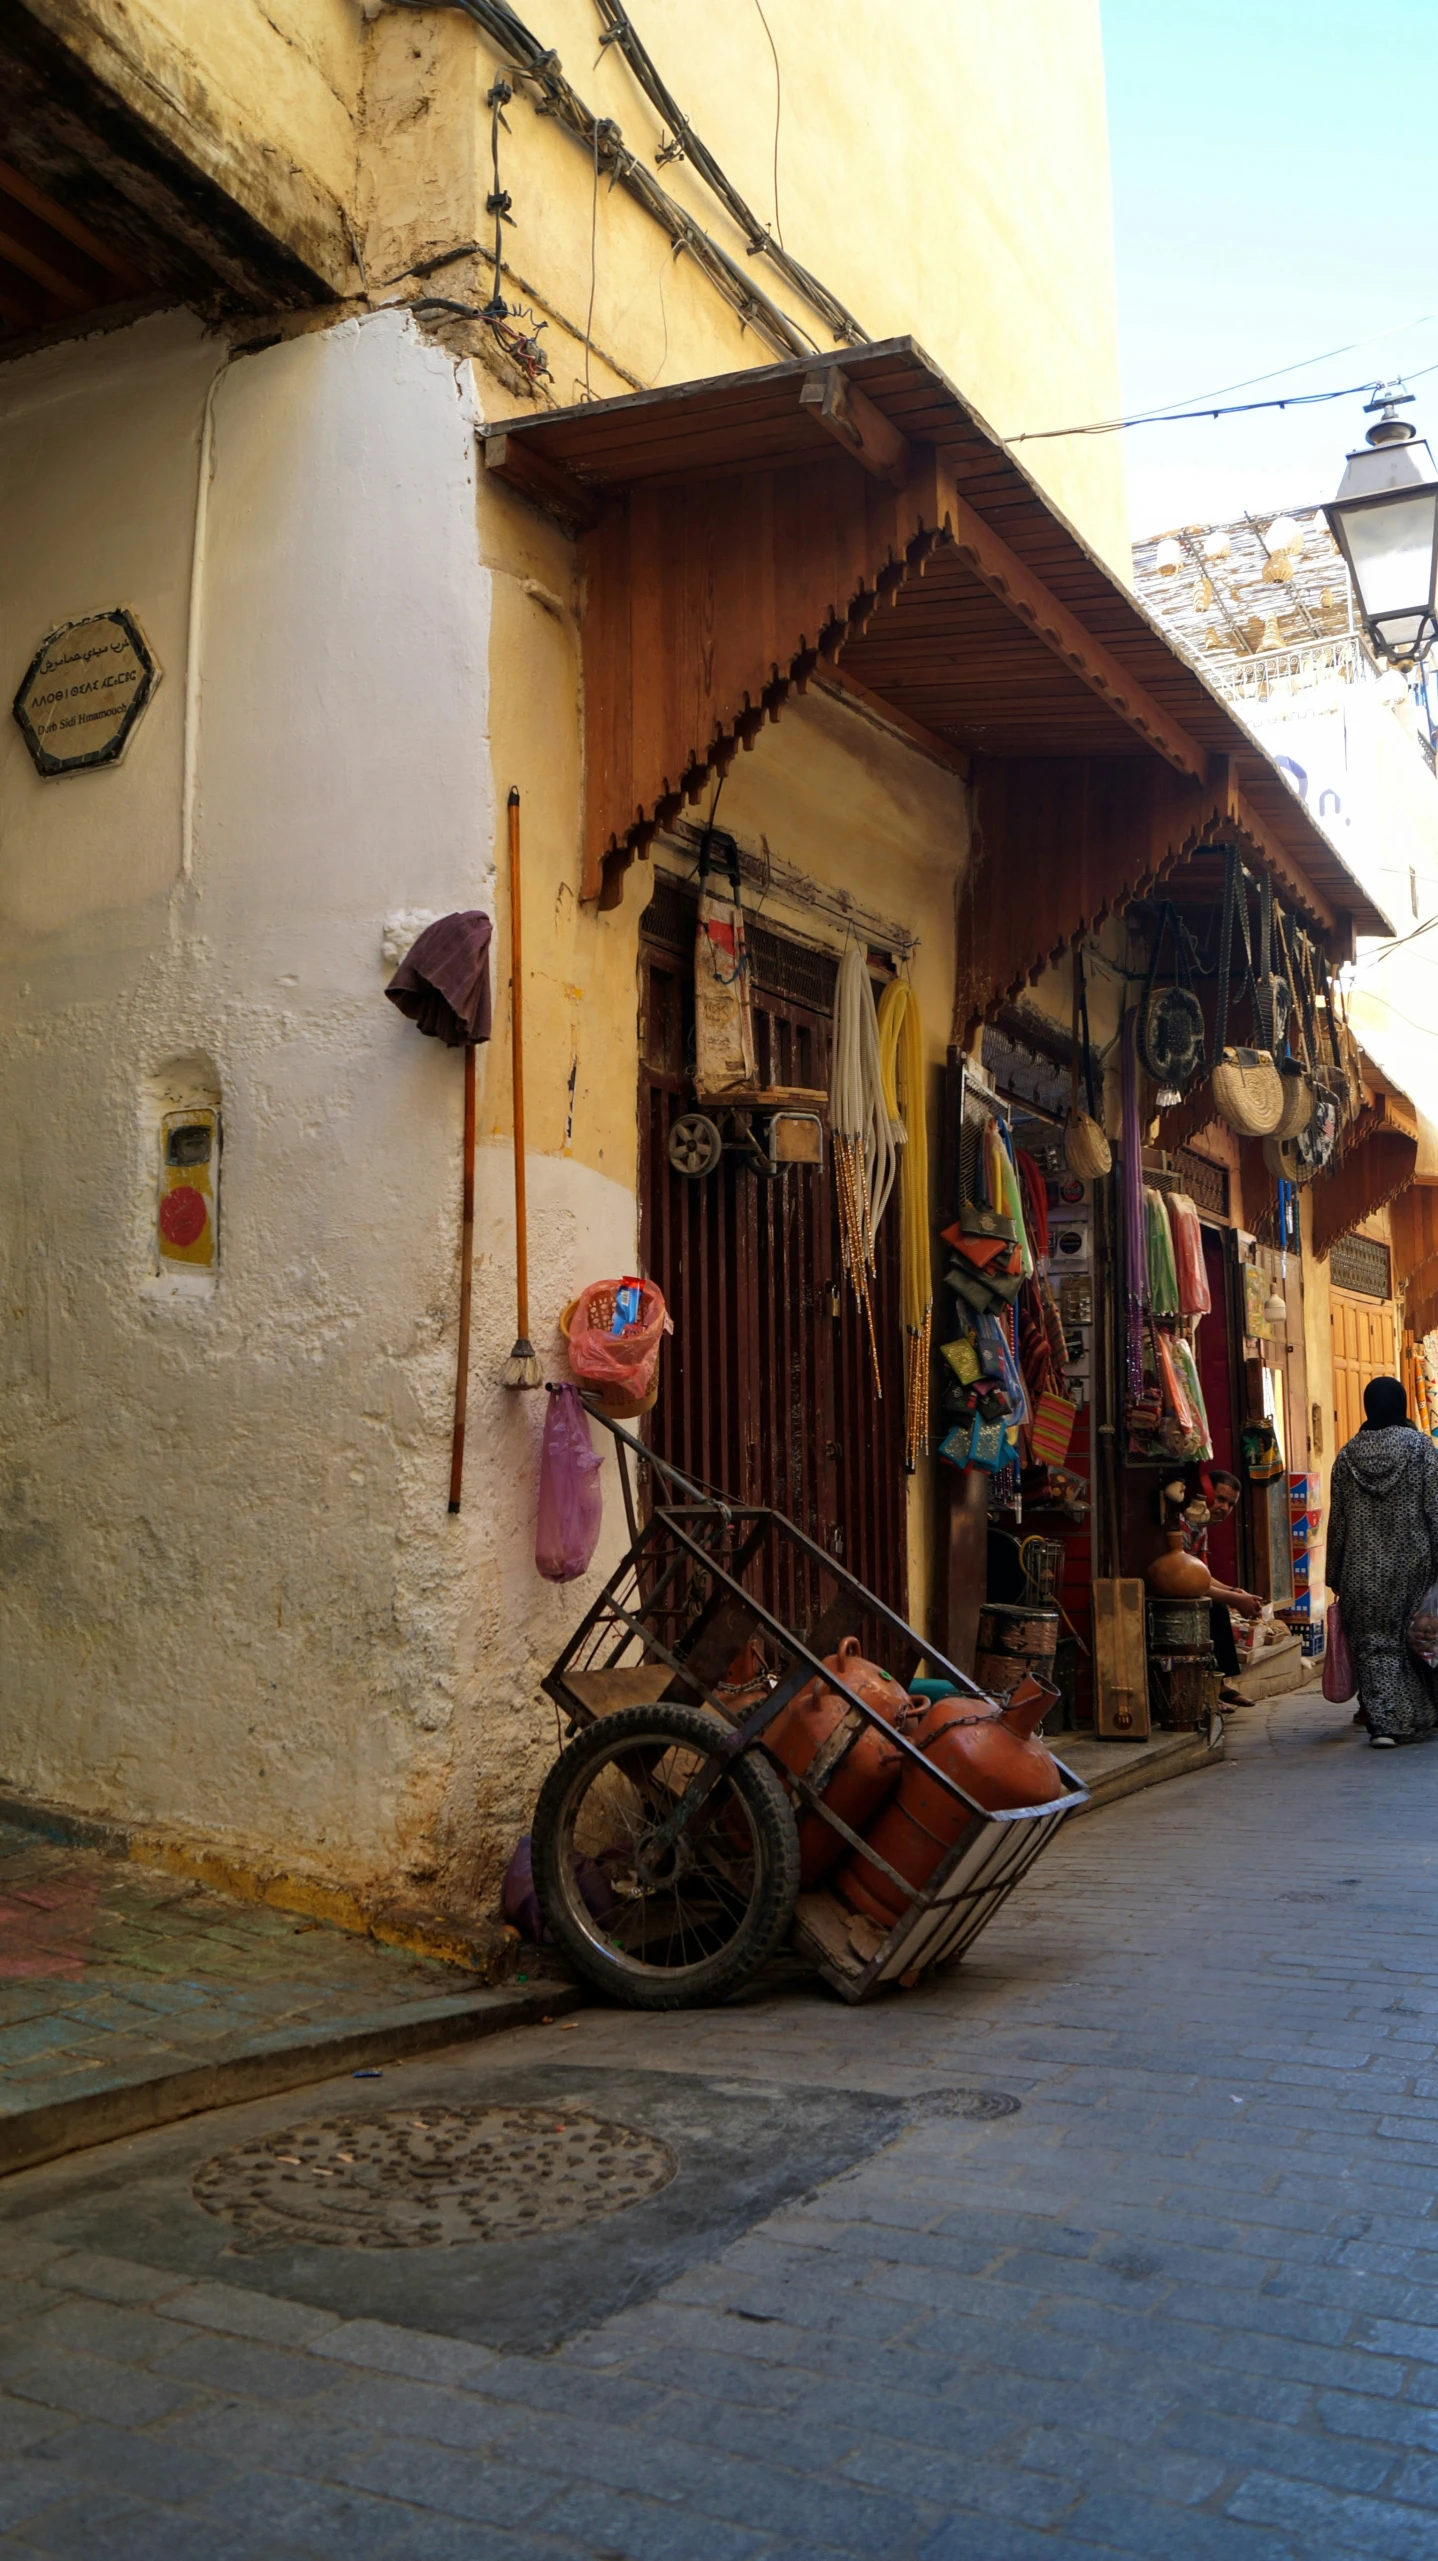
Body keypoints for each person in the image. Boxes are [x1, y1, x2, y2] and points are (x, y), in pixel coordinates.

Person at [1326, 1375, 1438, 1748]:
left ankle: (1385, 1724)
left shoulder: (1346, 1456)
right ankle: (1420, 1715)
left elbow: (1338, 1520)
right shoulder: (1422, 1449)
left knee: (1373, 1646)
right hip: (1414, 1565)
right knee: (1415, 1640)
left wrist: (1334, 1572)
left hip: (1361, 1570)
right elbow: (1435, 1510)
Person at [1182, 1468, 1261, 1703]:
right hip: (1171, 1592)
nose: (1224, 1508)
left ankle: (1219, 1683)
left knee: (1218, 1605)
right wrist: (1234, 1599)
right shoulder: (1184, 1523)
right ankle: (1213, 1689)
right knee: (1216, 1605)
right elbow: (1188, 1579)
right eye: (1220, 1499)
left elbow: (1202, 1575)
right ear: (1205, 1494)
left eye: (1231, 1504)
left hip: (1190, 1586)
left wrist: (1234, 1592)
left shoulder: (1200, 1527)